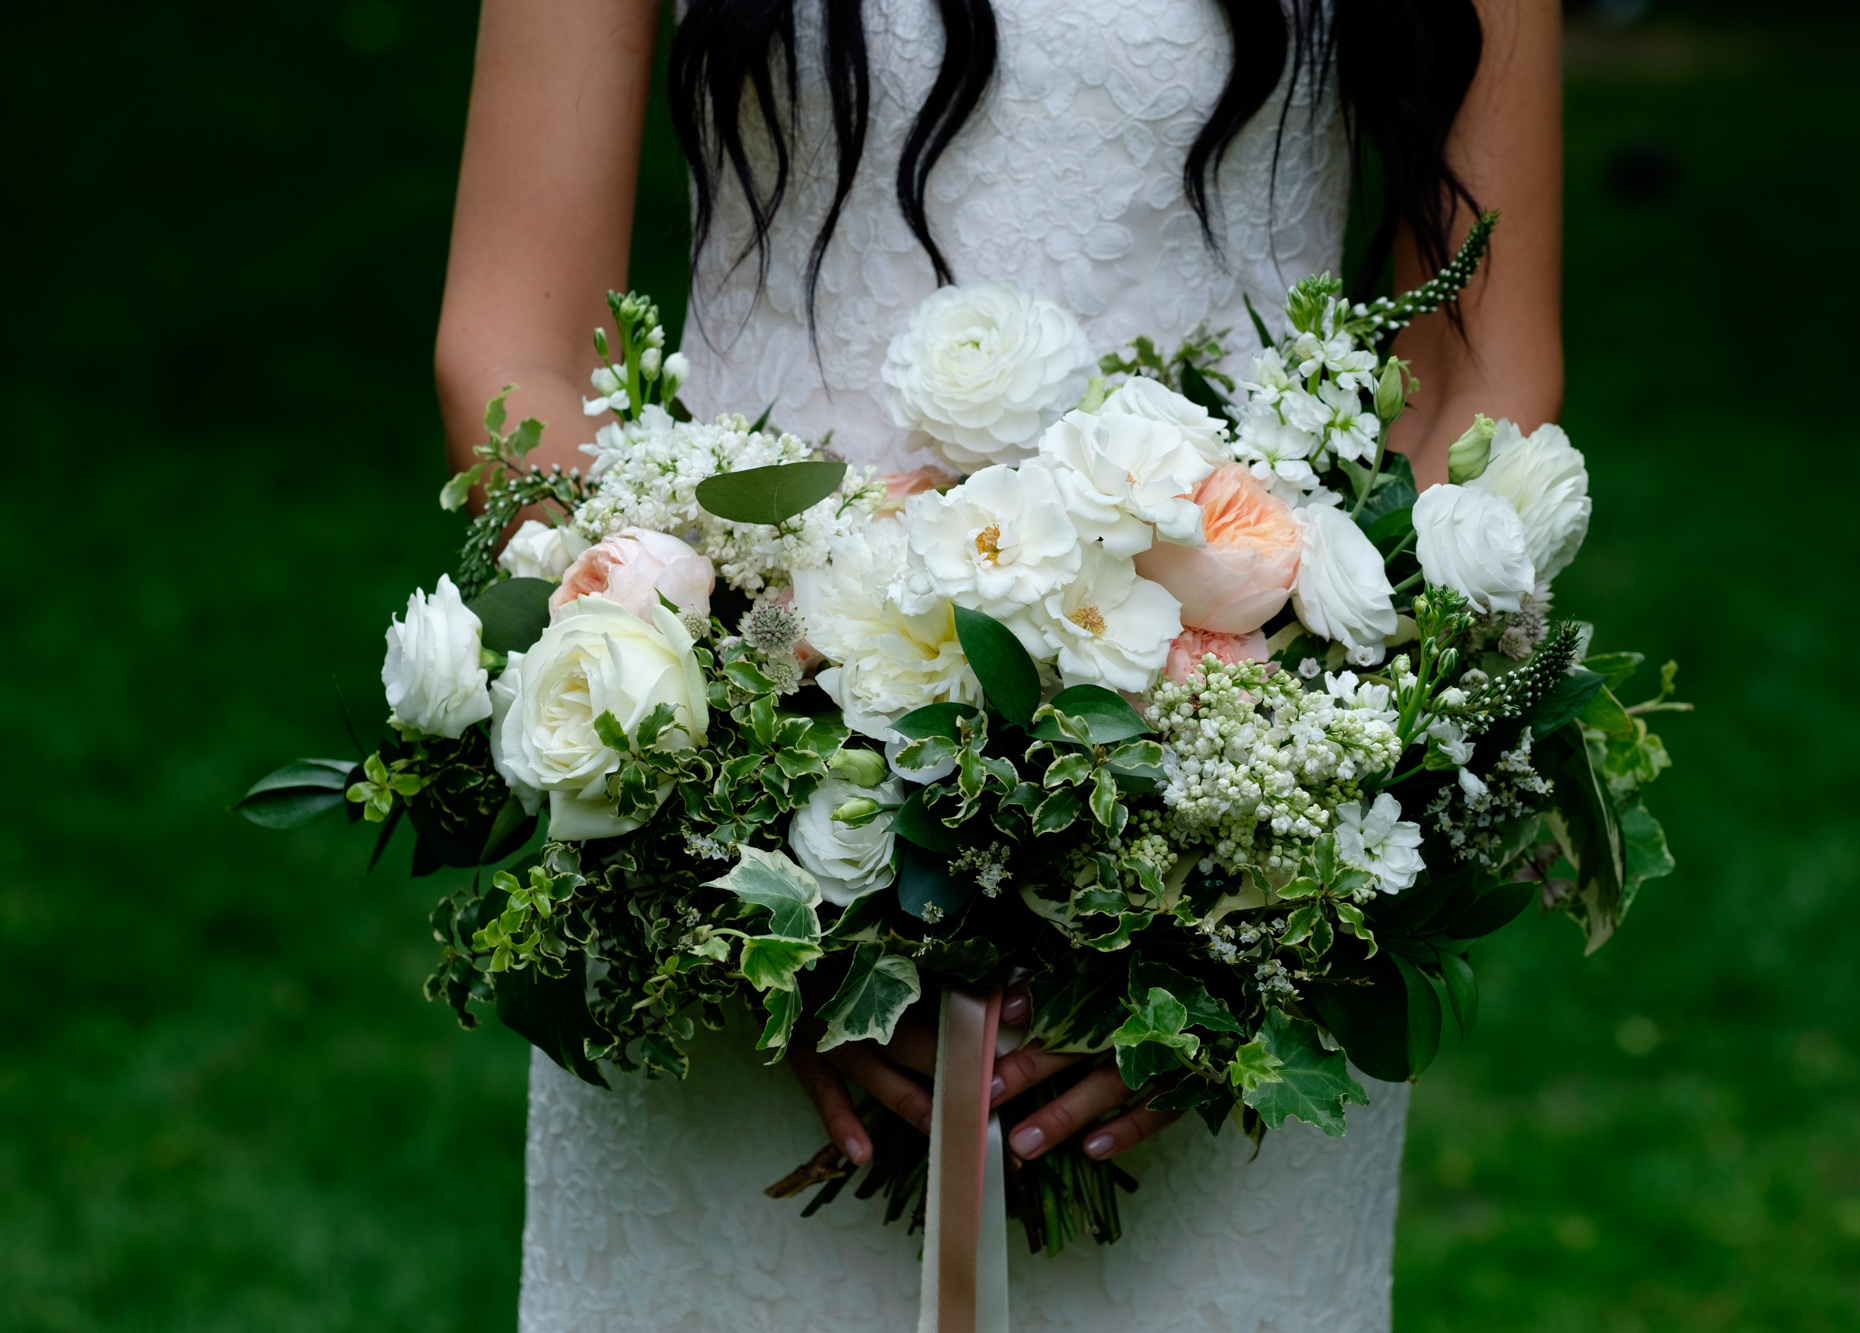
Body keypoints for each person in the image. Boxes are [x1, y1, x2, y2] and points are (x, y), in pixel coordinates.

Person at [436, 0, 1561, 1326]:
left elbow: (1474, 380)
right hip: (737, 914)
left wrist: (1220, 917)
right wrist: (742, 879)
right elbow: (515, 346)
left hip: (1230, 876)